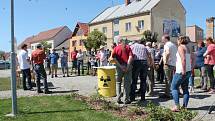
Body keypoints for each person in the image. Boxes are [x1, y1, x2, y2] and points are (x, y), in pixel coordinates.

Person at [171, 36, 192, 111]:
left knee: (173, 87)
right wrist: (190, 68)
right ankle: (185, 106)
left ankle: (177, 106)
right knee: (185, 89)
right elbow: (192, 58)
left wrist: (183, 70)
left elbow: (183, 59)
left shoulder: (180, 47)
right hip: (188, 70)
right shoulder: (188, 48)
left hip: (181, 71)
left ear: (180, 40)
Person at [111, 38, 133, 104]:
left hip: (119, 67)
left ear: (118, 42)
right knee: (127, 83)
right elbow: (130, 57)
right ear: (122, 41)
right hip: (127, 67)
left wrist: (120, 67)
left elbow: (114, 58)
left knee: (118, 82)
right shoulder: (128, 47)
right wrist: (128, 66)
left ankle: (118, 98)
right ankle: (126, 99)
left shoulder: (115, 48)